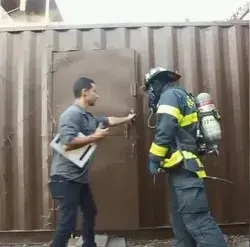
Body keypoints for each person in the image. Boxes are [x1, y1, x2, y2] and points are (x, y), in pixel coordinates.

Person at [144, 67, 228, 247]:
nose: (150, 93)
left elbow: (165, 130)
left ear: (156, 83)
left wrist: (154, 157)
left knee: (198, 222)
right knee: (180, 223)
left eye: (150, 88)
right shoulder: (184, 96)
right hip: (180, 169)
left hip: (185, 169)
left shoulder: (170, 96)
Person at [49, 77, 136, 247]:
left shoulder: (86, 116)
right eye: (94, 91)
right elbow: (67, 142)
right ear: (85, 92)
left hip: (78, 178)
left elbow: (108, 120)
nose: (97, 95)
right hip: (66, 178)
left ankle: (89, 244)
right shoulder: (71, 114)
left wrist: (127, 118)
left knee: (90, 211)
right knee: (67, 225)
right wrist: (95, 137)